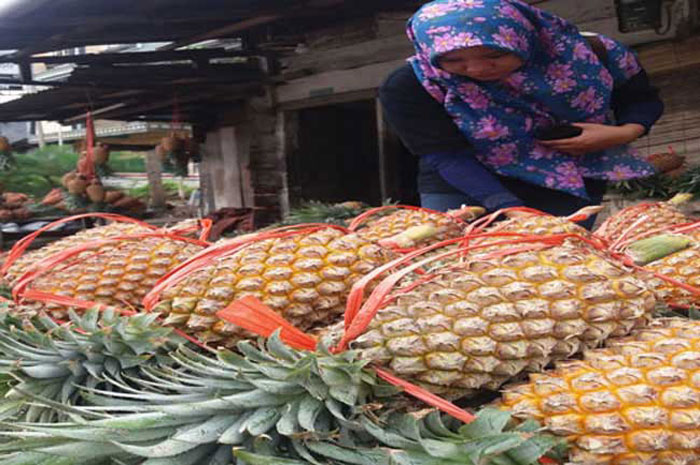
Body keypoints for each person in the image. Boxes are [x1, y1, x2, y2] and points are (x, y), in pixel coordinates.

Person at [379, 0, 664, 229]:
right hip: (465, 184)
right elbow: (445, 155)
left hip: (567, 182)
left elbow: (640, 98)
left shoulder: (591, 55)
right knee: (461, 272)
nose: (477, 69)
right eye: (454, 60)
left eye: (494, 55)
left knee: (562, 272)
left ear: (522, 38)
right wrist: (508, 208)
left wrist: (624, 132)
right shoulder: (411, 84)